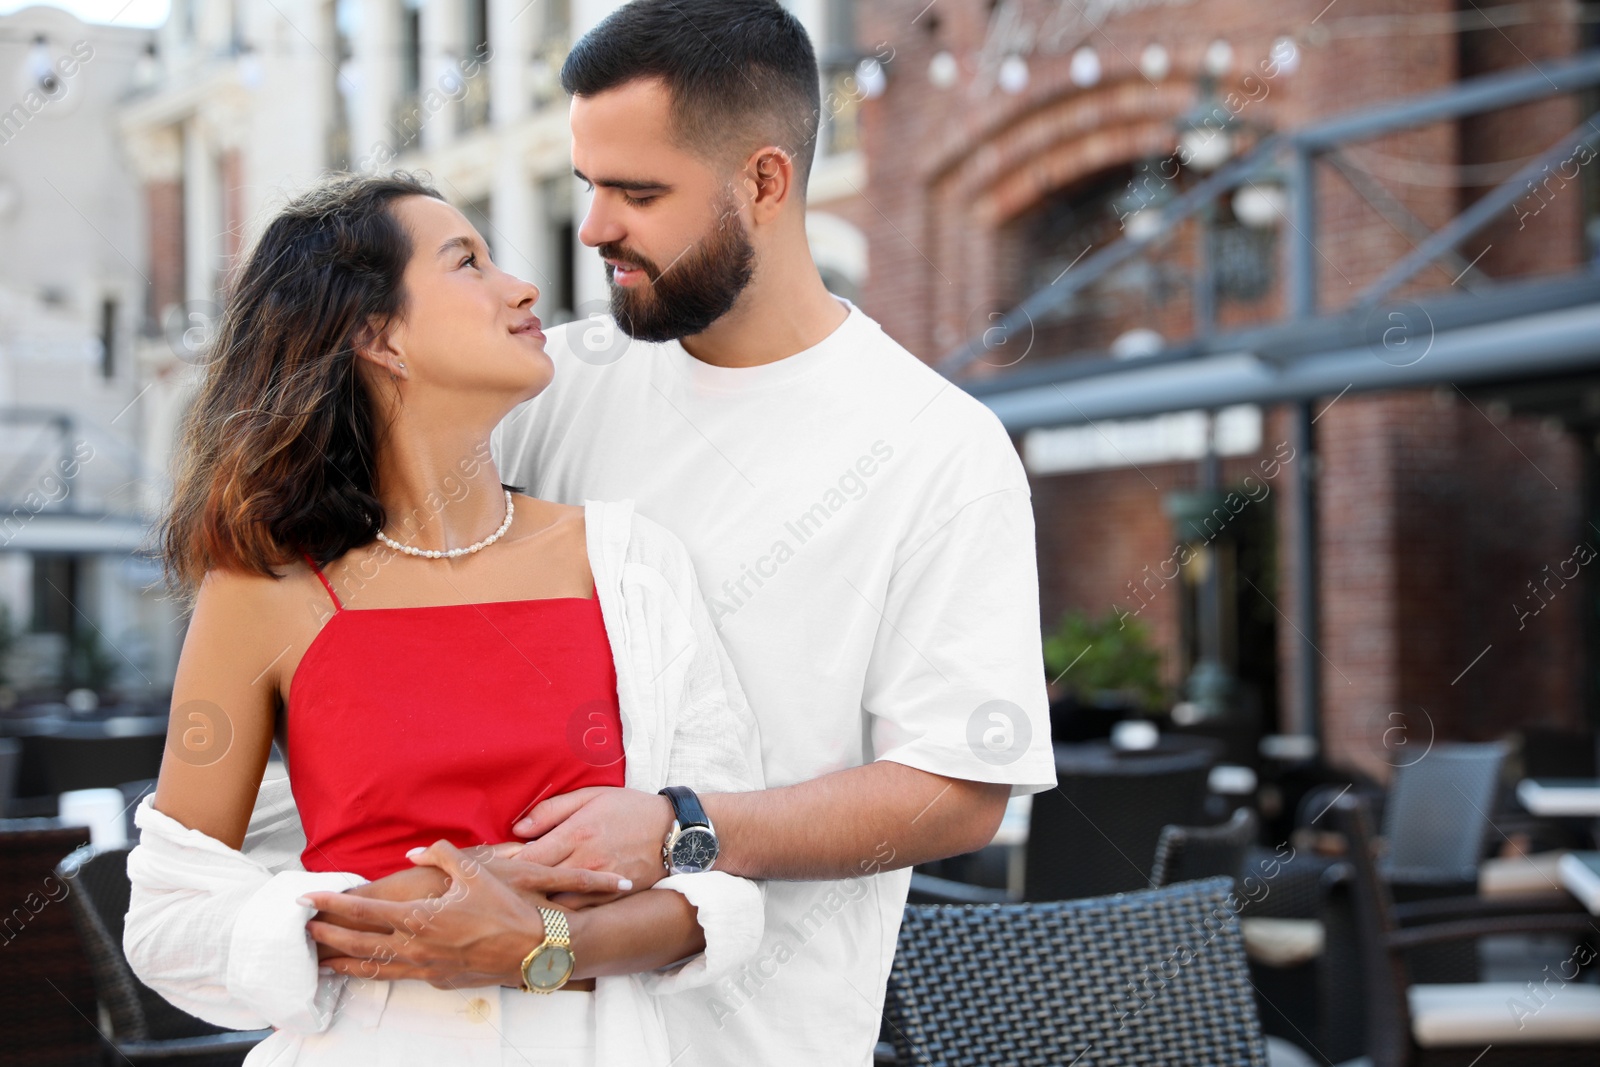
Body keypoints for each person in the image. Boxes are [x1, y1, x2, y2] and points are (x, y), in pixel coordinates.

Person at [300, 3, 1058, 1065]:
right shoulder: (544, 387)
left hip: (753, 1038)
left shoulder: (940, 448)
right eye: (589, 186)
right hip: (497, 1030)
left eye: (639, 192)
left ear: (763, 181)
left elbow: (956, 789)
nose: (595, 227)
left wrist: (680, 822)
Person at [121, 171, 769, 1067]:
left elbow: (724, 881)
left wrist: (542, 945)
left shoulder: (629, 563)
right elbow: (169, 918)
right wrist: (429, 895)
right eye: (468, 261)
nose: (523, 287)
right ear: (375, 333)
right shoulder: (263, 589)